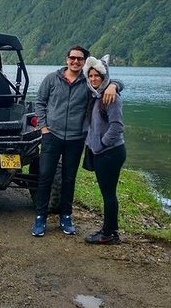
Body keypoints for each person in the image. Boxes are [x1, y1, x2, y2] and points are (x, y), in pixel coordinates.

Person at [31, 46, 120, 237]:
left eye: (80, 59)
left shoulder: (87, 82)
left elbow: (106, 82)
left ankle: (66, 216)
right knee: (45, 176)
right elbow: (40, 102)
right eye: (72, 58)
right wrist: (44, 127)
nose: (75, 62)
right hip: (51, 136)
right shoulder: (52, 79)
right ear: (66, 59)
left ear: (84, 62)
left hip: (75, 138)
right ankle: (40, 218)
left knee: (69, 179)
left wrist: (114, 85)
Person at [83, 55, 126, 245]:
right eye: (90, 76)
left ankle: (109, 234)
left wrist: (100, 145)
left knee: (109, 194)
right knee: (107, 192)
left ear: (104, 76)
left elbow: (117, 126)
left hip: (110, 152)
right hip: (101, 152)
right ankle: (109, 230)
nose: (93, 79)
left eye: (97, 76)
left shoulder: (111, 97)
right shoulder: (95, 95)